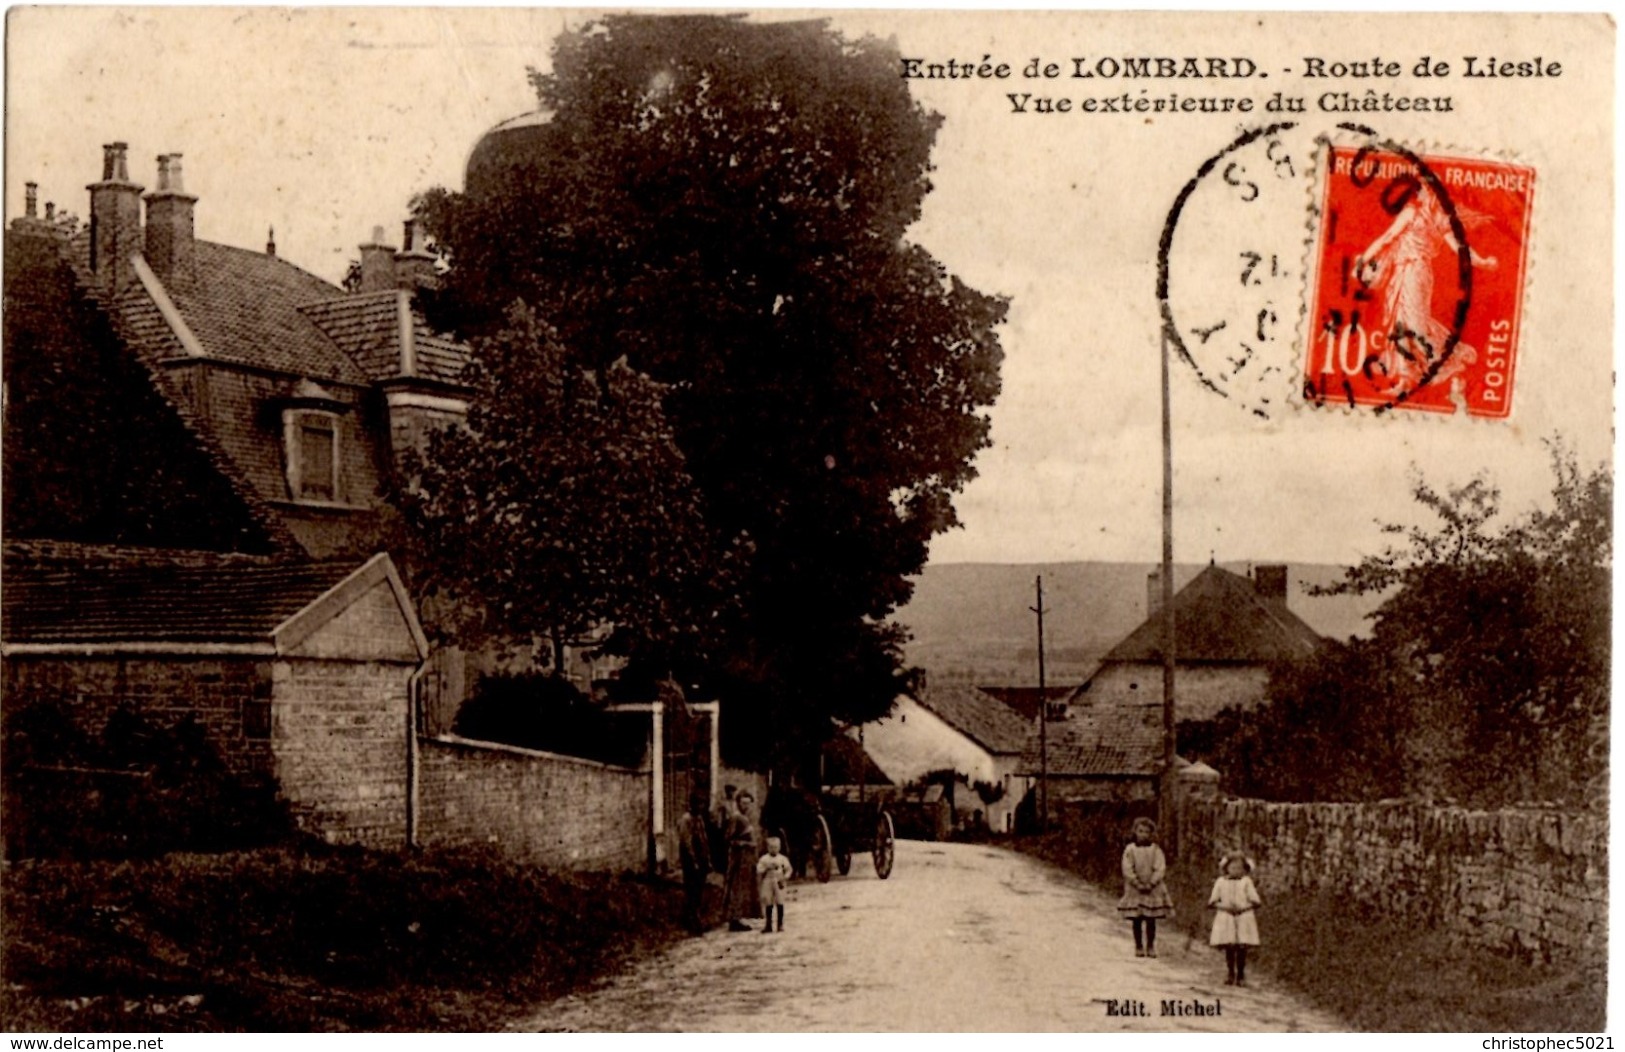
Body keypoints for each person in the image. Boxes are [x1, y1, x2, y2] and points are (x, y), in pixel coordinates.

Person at [1117, 816, 1174, 957]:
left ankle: (1150, 946)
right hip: (1135, 889)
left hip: (1152, 889)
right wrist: (1136, 883)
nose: (1143, 834)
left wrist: (1151, 883)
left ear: (1151, 834)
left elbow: (1160, 868)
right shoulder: (1130, 850)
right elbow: (1127, 868)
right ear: (1135, 831)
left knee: (1151, 919)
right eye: (1140, 831)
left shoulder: (1156, 850)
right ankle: (1138, 946)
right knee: (1136, 918)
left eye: (1146, 832)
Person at [1208, 851, 1263, 986]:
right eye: (1232, 868)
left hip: (1243, 917)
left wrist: (1243, 907)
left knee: (1242, 947)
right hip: (1226, 917)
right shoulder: (1221, 882)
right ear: (1226, 868)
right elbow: (1213, 901)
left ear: (1245, 869)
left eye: (1239, 868)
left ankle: (1241, 975)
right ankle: (1230, 973)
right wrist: (1225, 906)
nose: (1236, 871)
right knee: (1229, 947)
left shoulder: (1246, 882)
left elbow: (1256, 901)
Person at [721, 789, 762, 932]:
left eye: (748, 804)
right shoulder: (736, 818)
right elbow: (728, 839)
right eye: (743, 803)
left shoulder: (745, 818)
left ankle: (739, 918)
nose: (746, 806)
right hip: (739, 858)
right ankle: (734, 919)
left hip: (747, 859)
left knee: (744, 888)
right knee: (736, 888)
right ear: (738, 803)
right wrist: (744, 844)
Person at [676, 789, 712, 933]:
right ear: (692, 804)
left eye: (702, 804)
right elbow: (687, 842)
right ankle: (692, 921)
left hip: (701, 859)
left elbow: (704, 840)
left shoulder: (699, 819)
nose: (701, 807)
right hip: (690, 860)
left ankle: (695, 918)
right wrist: (694, 861)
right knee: (691, 890)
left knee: (699, 890)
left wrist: (707, 859)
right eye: (699, 804)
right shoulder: (686, 819)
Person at [757, 835, 792, 933]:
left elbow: (788, 869)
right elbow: (759, 869)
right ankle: (768, 925)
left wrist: (785, 877)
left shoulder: (782, 859)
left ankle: (780, 925)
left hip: (779, 881)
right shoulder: (764, 859)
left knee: (780, 902)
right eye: (771, 847)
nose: (773, 849)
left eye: (776, 847)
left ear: (779, 847)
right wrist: (766, 867)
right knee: (768, 902)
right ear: (768, 848)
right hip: (768, 881)